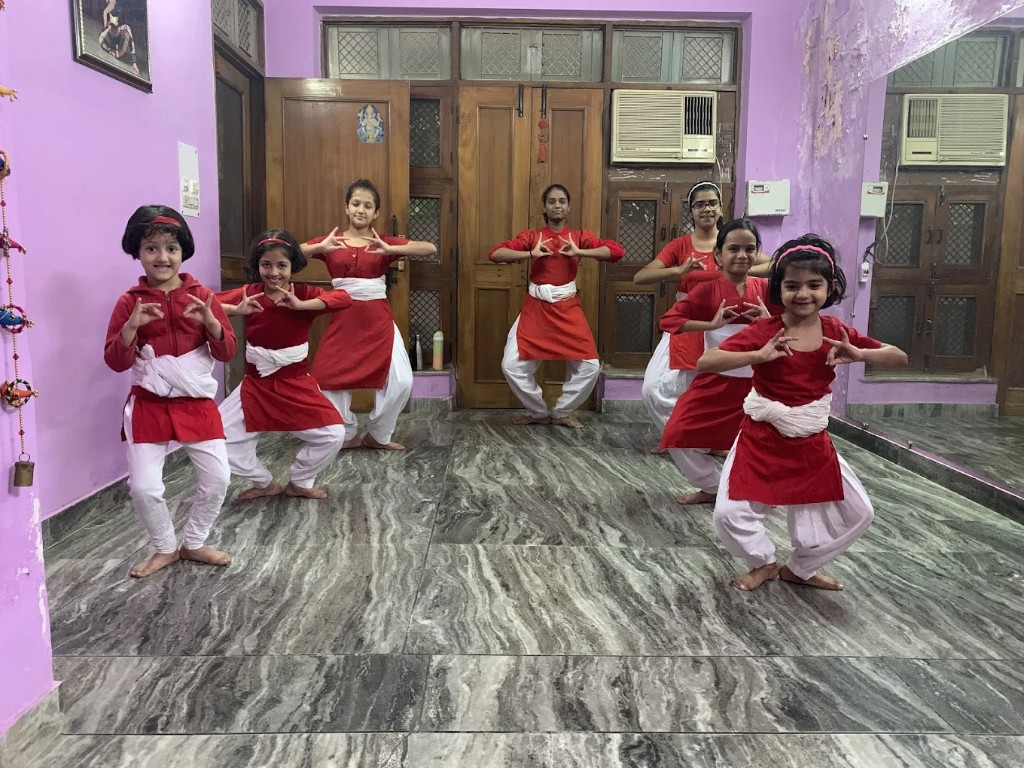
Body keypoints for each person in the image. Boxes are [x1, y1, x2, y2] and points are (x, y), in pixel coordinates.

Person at [698, 235, 908, 592]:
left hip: (810, 440)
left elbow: (898, 356)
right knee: (728, 514)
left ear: (830, 288)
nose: (803, 294)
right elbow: (707, 360)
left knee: (858, 513)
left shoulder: (836, 332)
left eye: (814, 285)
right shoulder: (765, 331)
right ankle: (762, 562)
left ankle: (800, 568)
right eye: (792, 285)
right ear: (779, 289)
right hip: (761, 438)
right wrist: (757, 357)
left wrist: (860, 354)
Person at [103, 205, 237, 579]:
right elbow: (115, 361)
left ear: (183, 252)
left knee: (219, 479)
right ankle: (164, 547)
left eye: (171, 248)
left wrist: (211, 322)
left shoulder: (203, 296)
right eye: (151, 248)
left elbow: (227, 352)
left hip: (196, 404)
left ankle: (194, 542)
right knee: (144, 488)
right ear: (138, 252)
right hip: (149, 405)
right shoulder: (129, 302)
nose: (162, 257)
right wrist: (130, 328)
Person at [217, 230, 353, 501]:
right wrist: (235, 310)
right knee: (216, 435)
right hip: (256, 384)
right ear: (257, 266)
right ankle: (264, 481)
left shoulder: (303, 293)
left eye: (282, 265)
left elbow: (344, 298)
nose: (274, 272)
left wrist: (302, 306)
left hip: (296, 383)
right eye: (266, 265)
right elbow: (206, 303)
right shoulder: (250, 294)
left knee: (334, 434)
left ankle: (300, 481)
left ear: (293, 266)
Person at [301, 179, 437, 450]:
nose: (361, 210)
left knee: (401, 380)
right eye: (355, 204)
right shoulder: (332, 242)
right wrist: (319, 248)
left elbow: (429, 248)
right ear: (346, 208)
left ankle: (378, 435)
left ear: (376, 212)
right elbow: (290, 251)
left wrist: (392, 250)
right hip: (343, 317)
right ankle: (347, 434)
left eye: (368, 205)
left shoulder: (382, 241)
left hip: (378, 317)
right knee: (326, 380)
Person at [658, 219, 778, 505]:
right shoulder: (708, 290)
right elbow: (669, 320)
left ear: (757, 252)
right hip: (715, 381)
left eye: (749, 249)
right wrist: (708, 324)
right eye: (733, 248)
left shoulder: (767, 289)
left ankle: (756, 492)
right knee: (677, 434)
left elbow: (796, 324)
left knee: (764, 444)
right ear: (718, 255)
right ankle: (712, 488)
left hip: (759, 385)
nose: (741, 255)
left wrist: (768, 322)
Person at [489, 183, 625, 428]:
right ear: (545, 207)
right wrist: (530, 254)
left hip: (567, 308)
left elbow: (616, 252)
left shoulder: (579, 237)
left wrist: (581, 252)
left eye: (562, 201)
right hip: (536, 309)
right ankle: (539, 412)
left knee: (590, 367)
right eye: (552, 201)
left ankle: (561, 412)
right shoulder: (531, 237)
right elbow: (496, 254)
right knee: (510, 366)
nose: (557, 205)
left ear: (568, 206)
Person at [633, 182, 724, 434]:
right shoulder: (681, 245)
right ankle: (680, 435)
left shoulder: (730, 242)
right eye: (700, 205)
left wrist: (736, 269)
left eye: (712, 203)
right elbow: (641, 277)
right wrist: (678, 270)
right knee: (653, 387)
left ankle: (710, 440)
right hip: (685, 321)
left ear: (721, 207)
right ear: (691, 211)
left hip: (724, 323)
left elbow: (772, 265)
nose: (707, 209)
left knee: (715, 389)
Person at [98, 9, 141, 77]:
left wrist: (134, 62)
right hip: (111, 48)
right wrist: (109, 50)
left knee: (127, 29)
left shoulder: (124, 28)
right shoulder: (106, 31)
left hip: (121, 50)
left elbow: (131, 43)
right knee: (103, 36)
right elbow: (101, 39)